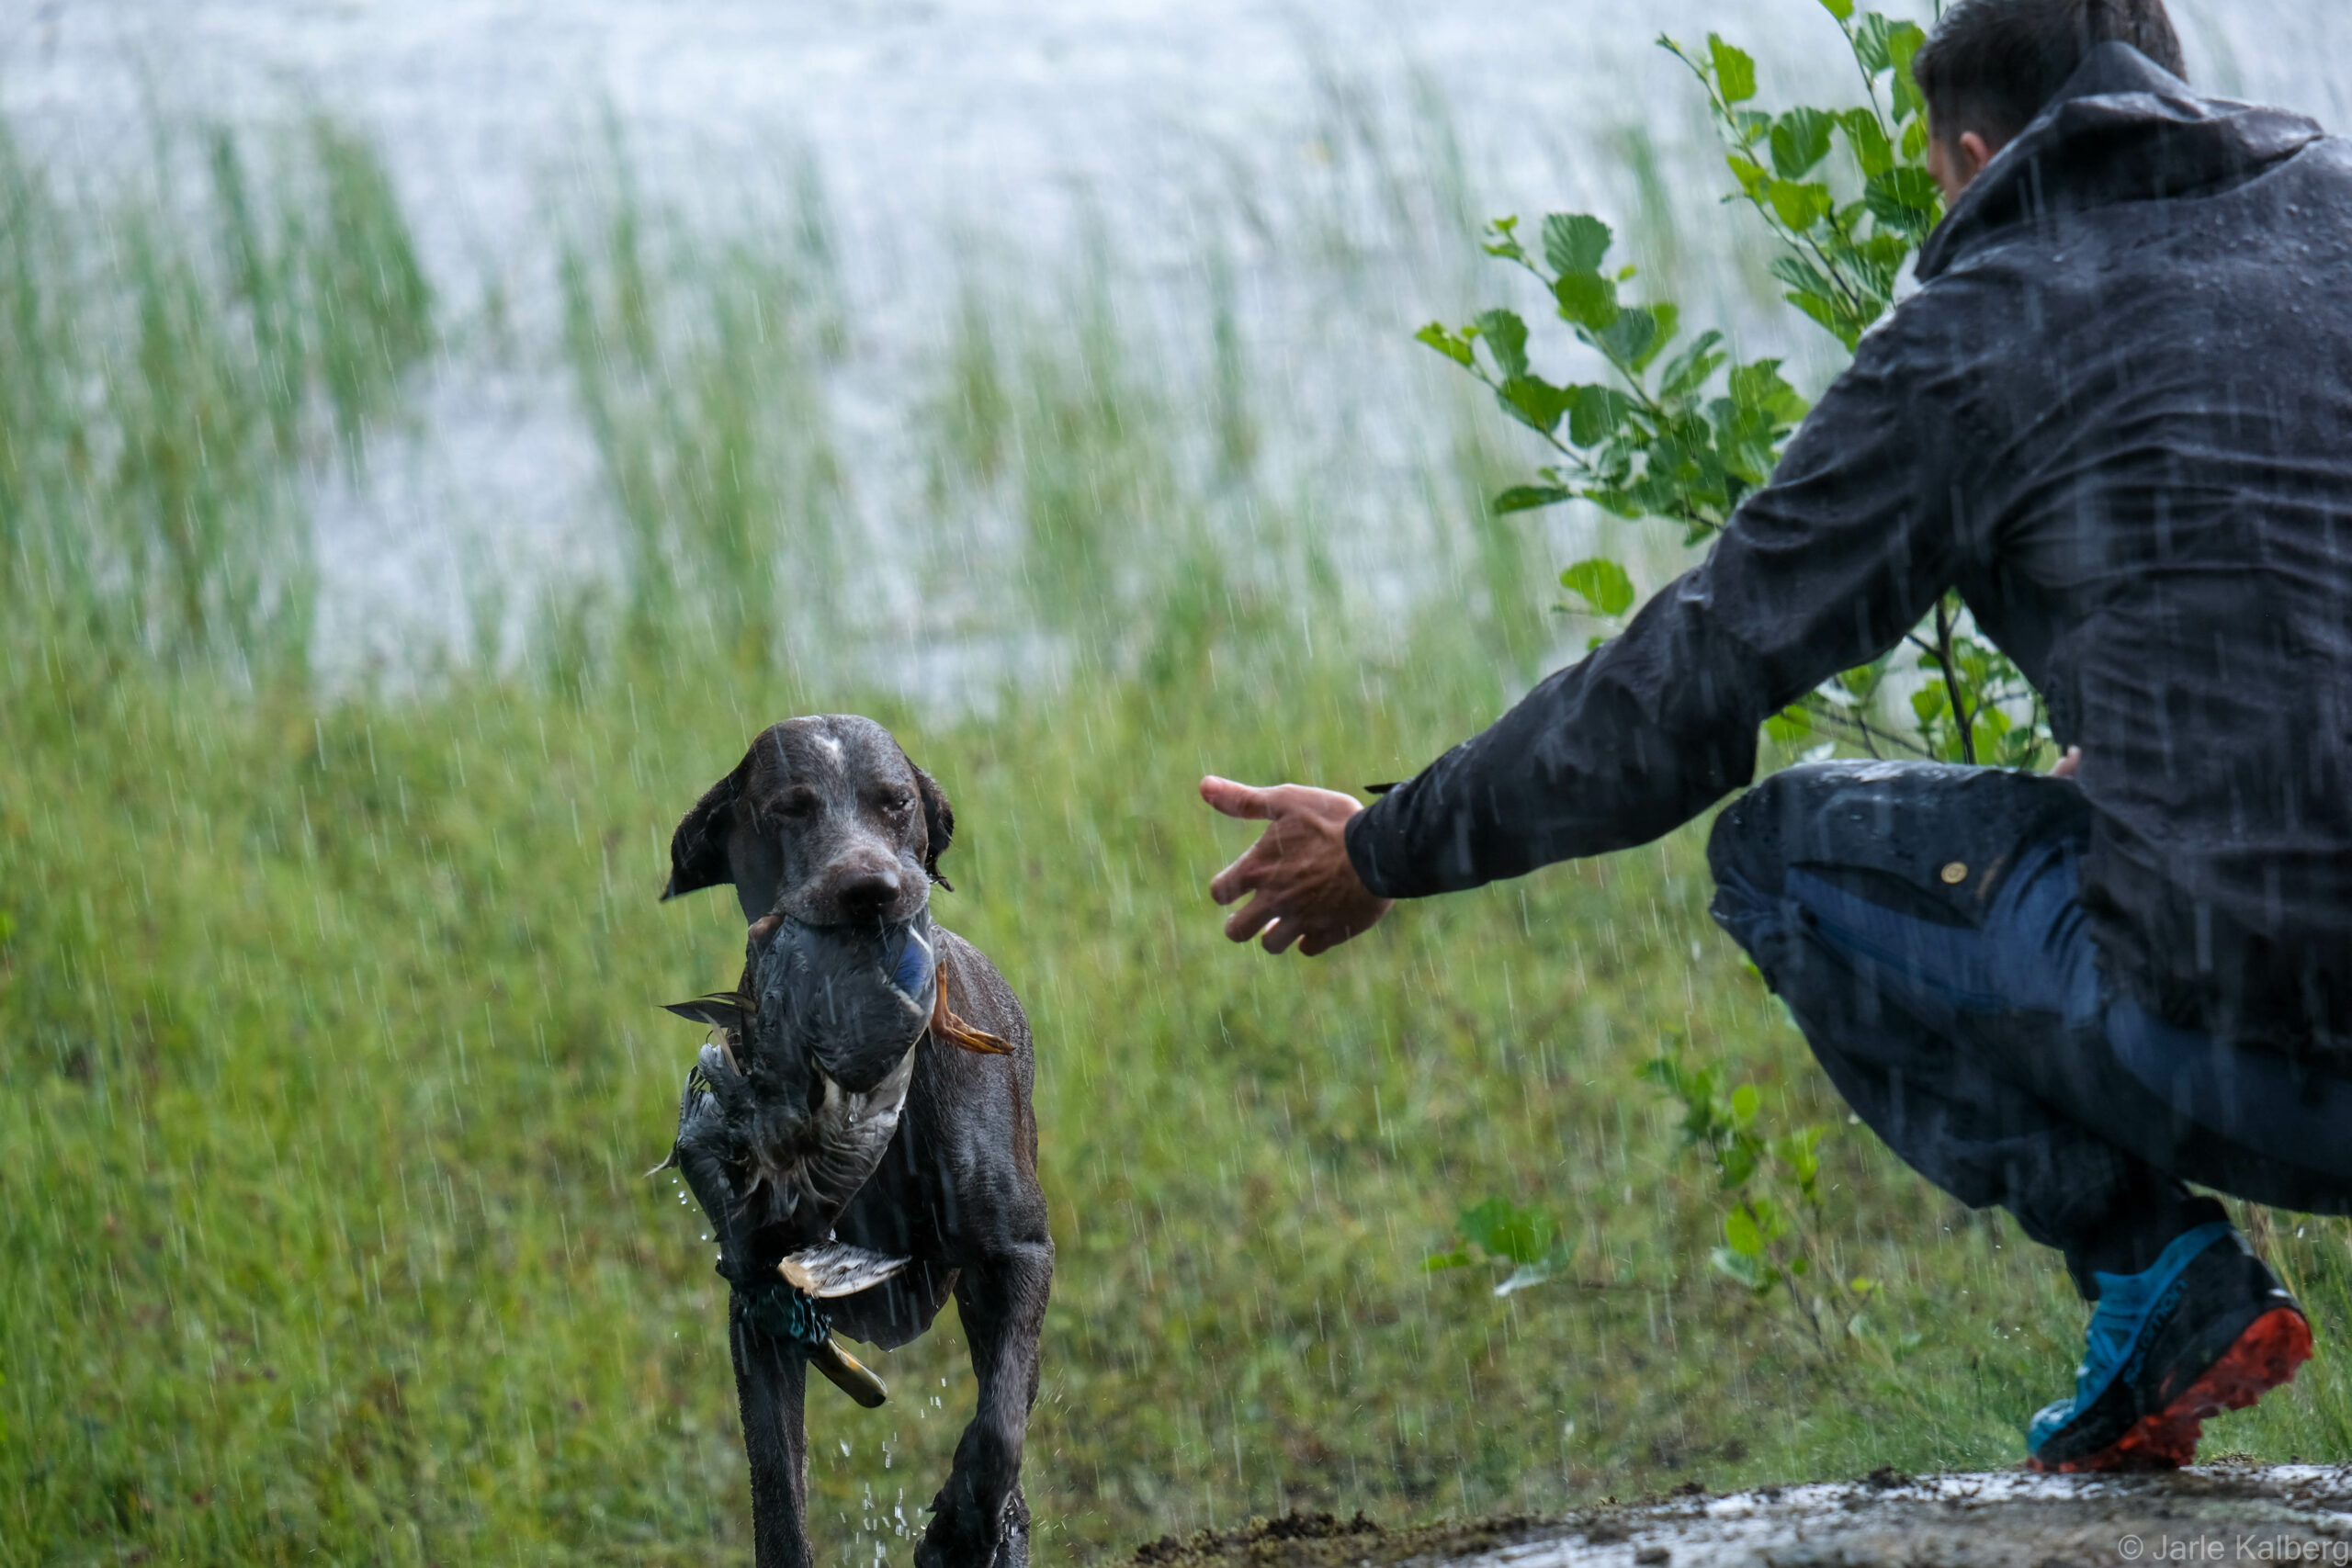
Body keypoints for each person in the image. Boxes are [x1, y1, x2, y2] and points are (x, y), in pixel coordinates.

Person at [1201, 0, 2352, 1472]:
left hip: (2254, 1053)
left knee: (1783, 853)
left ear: (1977, 153)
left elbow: (1682, 692)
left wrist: (1383, 843)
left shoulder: (1983, 329)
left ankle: (2156, 1277)